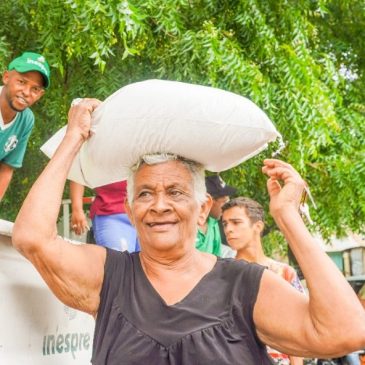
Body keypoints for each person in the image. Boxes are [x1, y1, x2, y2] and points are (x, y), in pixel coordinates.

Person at [12, 98, 365, 364]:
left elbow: (345, 330)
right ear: (130, 212)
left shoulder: (245, 286)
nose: (159, 205)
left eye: (176, 192)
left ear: (201, 211)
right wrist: (74, 138)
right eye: (146, 194)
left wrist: (287, 216)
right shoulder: (111, 277)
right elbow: (32, 237)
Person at [221, 196, 304, 365]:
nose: (228, 229)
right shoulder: (220, 274)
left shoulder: (284, 273)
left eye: (236, 222)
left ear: (257, 226)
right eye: (225, 224)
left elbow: (296, 328)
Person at [0, 51, 50, 202]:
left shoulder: (26, 119)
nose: (26, 92)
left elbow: (7, 168)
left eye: (35, 89)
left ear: (40, 94)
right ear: (6, 77)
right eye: (21, 82)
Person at [70, 180, 139, 252]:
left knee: (147, 262)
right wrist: (77, 209)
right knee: (119, 259)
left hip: (144, 211)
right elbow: (78, 173)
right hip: (110, 212)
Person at [195, 174, 236, 256]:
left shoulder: (213, 224)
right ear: (210, 201)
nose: (226, 207)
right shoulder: (188, 225)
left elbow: (217, 259)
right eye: (224, 202)